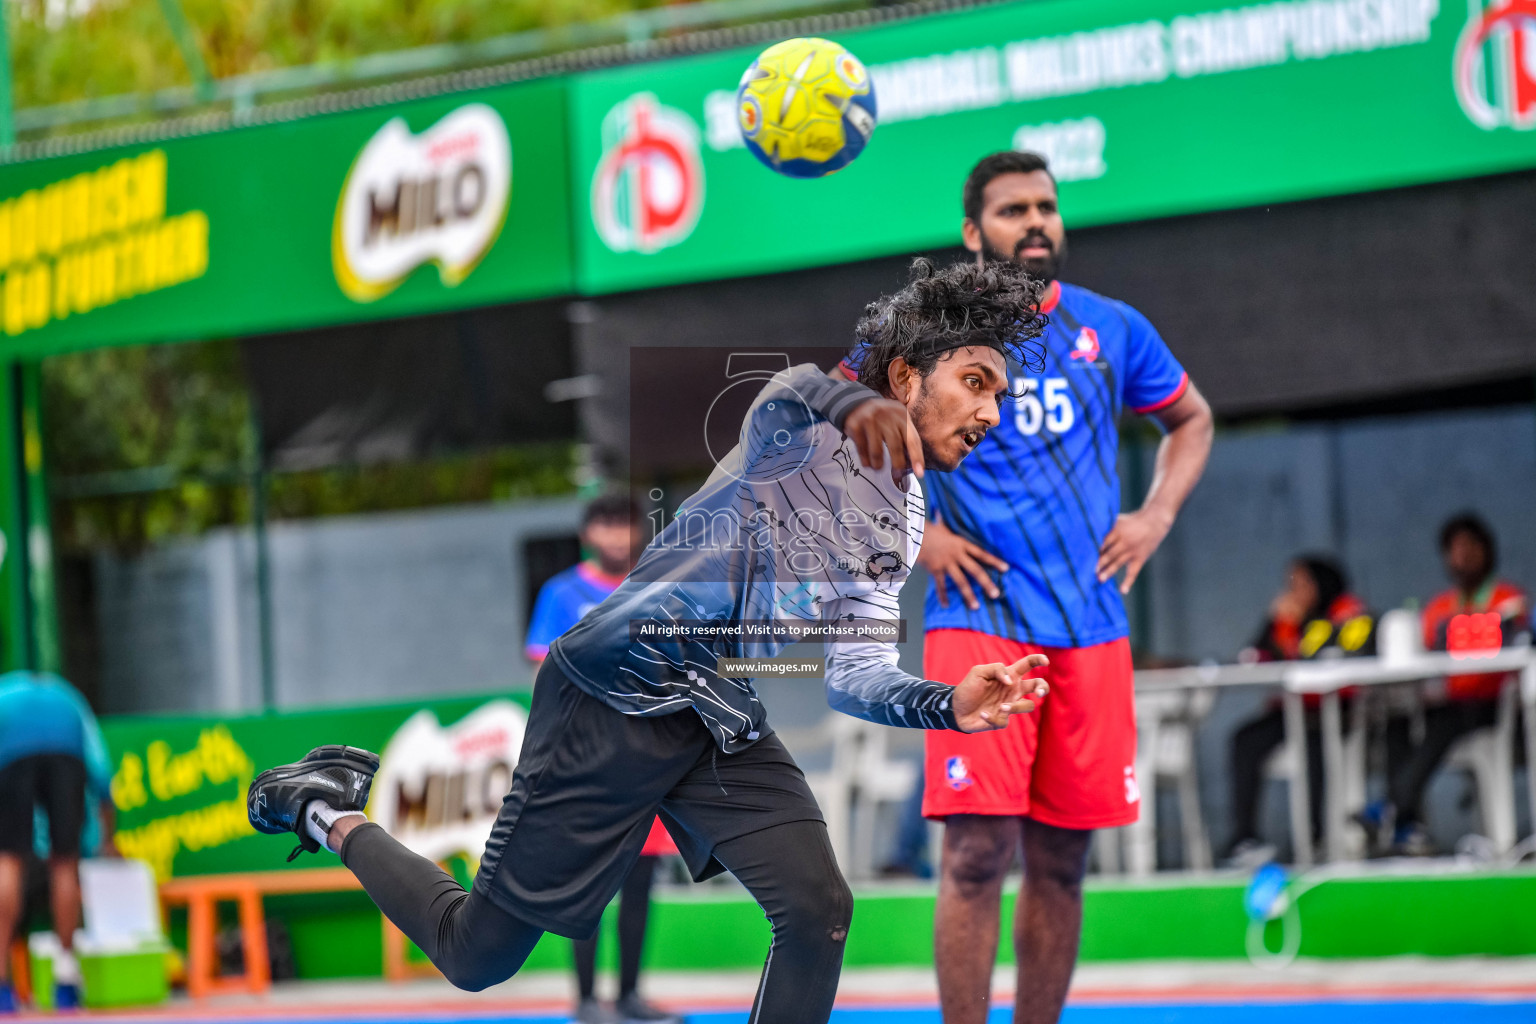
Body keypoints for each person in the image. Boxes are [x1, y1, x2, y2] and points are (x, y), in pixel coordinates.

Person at [247, 257, 1054, 1024]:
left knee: (818, 907)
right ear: (908, 377)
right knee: (476, 955)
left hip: (712, 705)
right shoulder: (803, 434)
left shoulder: (903, 521)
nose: (990, 410)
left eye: (999, 393)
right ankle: (320, 806)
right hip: (609, 693)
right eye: (975, 383)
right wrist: (847, 401)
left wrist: (946, 702)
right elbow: (784, 391)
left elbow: (853, 673)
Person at [840, 151, 1213, 1024]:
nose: (1037, 221)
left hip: (1091, 625)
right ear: (973, 234)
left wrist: (1155, 516)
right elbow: (837, 436)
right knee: (975, 855)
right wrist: (920, 536)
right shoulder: (921, 332)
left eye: (1047, 206)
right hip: (978, 622)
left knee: (1062, 864)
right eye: (1014, 209)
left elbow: (1189, 421)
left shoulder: (1113, 328)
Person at [525, 493, 681, 1024]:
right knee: (587, 884)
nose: (617, 536)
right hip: (587, 764)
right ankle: (588, 1001)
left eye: (625, 526)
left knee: (640, 883)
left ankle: (631, 995)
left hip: (649, 760)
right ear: (589, 533)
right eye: (606, 525)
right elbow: (543, 678)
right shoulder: (560, 593)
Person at [1366, 513, 1528, 855]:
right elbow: (1426, 649)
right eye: (1455, 550)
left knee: (1444, 720)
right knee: (1399, 723)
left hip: (1494, 706)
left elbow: (1508, 633)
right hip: (1451, 702)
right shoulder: (1441, 604)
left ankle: (1390, 809)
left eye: (1471, 547)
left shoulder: (1506, 596)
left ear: (1487, 551)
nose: (1463, 556)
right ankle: (1408, 824)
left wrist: (1458, 631)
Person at [1224, 557, 1375, 867]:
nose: (1294, 591)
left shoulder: (1349, 612)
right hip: (1292, 710)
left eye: (1302, 583)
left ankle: (1316, 841)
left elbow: (1318, 656)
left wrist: (1289, 626)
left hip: (1336, 712)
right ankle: (1244, 838)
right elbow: (1258, 656)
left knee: (1315, 750)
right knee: (1245, 739)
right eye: (1291, 584)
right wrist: (1278, 623)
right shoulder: (1289, 617)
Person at [0, 672, 118, 1011]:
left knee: (8, 860)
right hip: (65, 746)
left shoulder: (5, 699)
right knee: (65, 862)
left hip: (10, 749)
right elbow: (103, 778)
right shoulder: (70, 700)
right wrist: (108, 841)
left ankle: (2, 987)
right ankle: (66, 978)